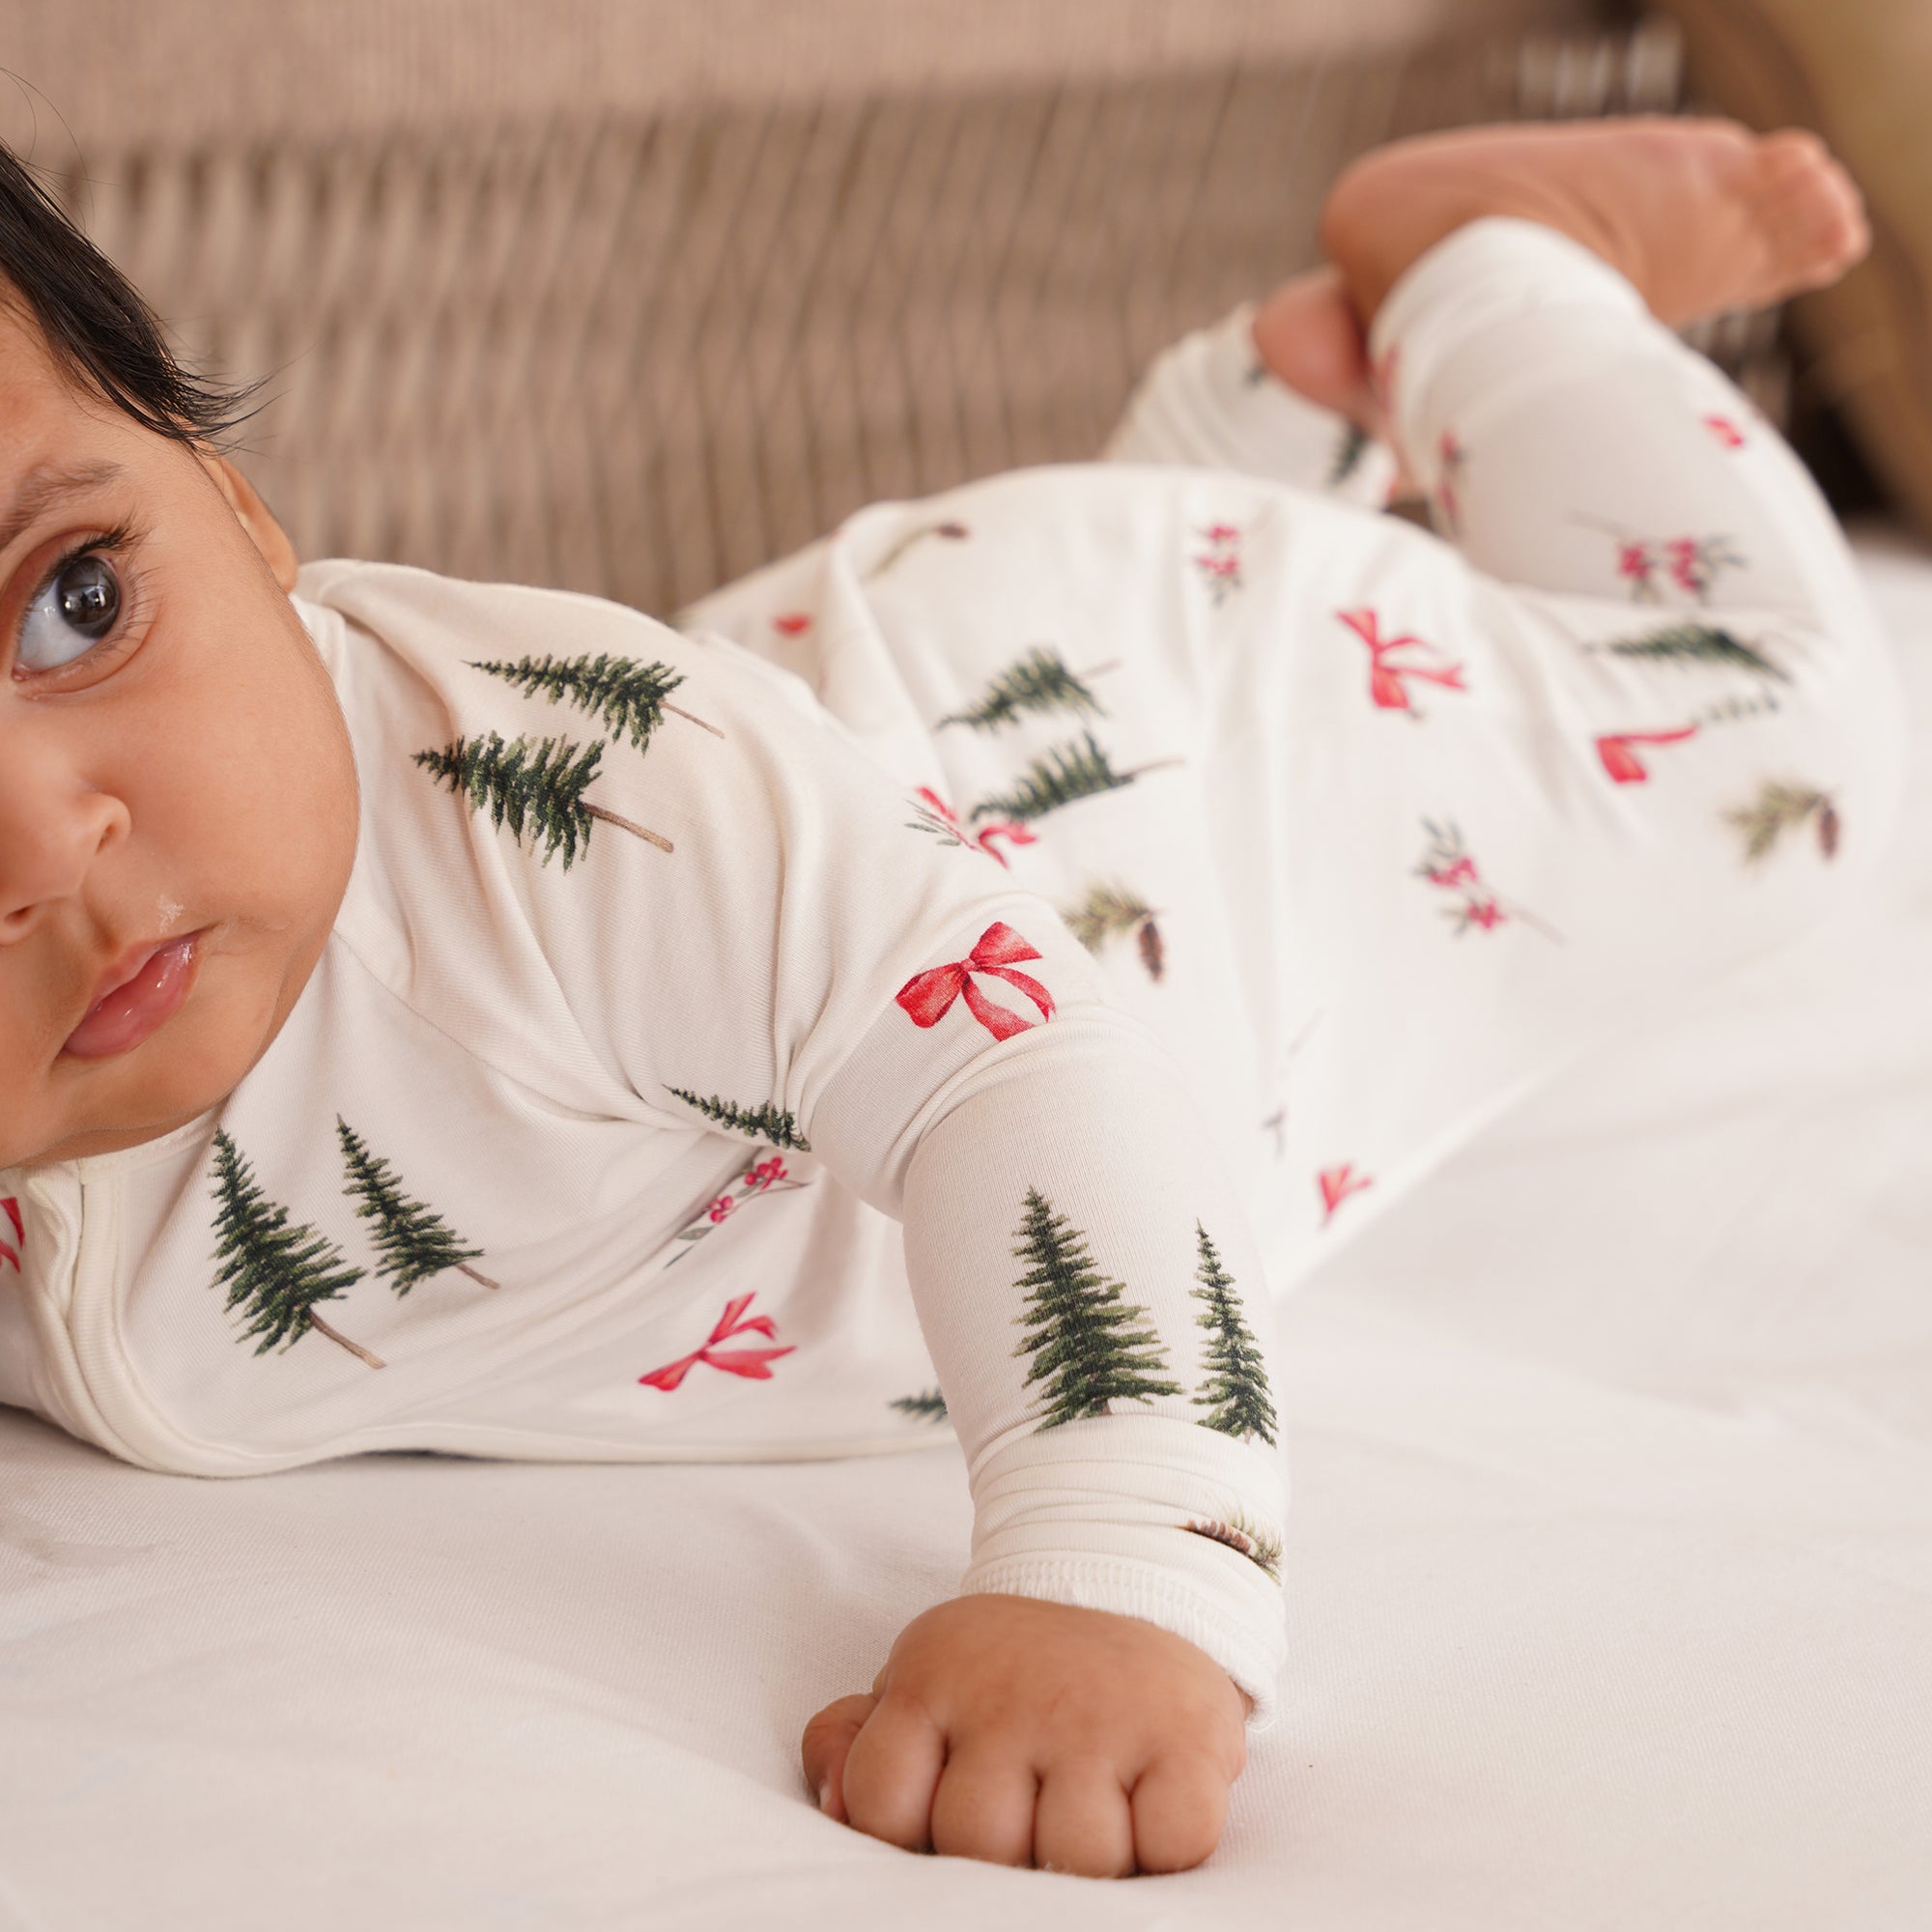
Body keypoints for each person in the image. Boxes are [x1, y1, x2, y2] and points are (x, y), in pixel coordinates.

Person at [0, 115, 1900, 1877]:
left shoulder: (556, 797)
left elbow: (1014, 1062)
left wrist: (1119, 1564)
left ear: (240, 513)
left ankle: (1495, 276)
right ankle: (1253, 421)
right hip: (877, 760)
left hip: (1152, 817)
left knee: (1774, 750)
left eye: (73, 599)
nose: (45, 844)